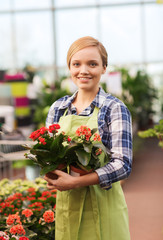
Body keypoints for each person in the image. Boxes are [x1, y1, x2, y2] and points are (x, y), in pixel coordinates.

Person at [44, 36, 132, 240]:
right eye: (77, 64)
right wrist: (51, 174)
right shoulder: (58, 108)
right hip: (68, 205)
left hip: (104, 204)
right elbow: (49, 154)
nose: (83, 70)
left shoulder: (114, 108)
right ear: (69, 67)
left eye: (92, 64)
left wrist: (76, 182)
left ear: (103, 68)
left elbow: (123, 164)